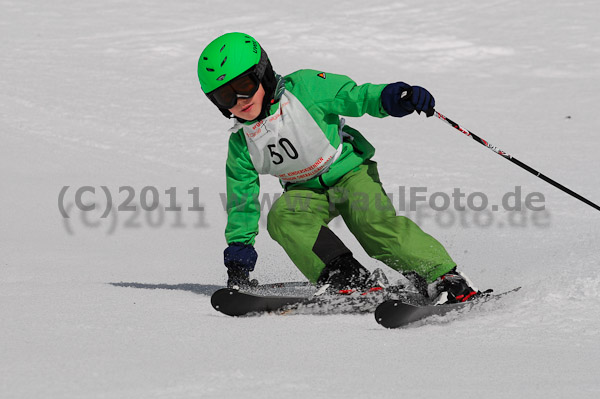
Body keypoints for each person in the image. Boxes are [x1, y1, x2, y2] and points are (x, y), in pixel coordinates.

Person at [197, 32, 479, 304]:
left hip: (350, 174)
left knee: (371, 222)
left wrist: (390, 98)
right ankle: (344, 275)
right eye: (225, 96)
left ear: (263, 74)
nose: (239, 102)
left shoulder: (305, 89)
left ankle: (442, 276)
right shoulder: (242, 143)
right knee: (282, 217)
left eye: (244, 87)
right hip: (305, 191)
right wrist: (239, 250)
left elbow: (354, 96)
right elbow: (242, 198)